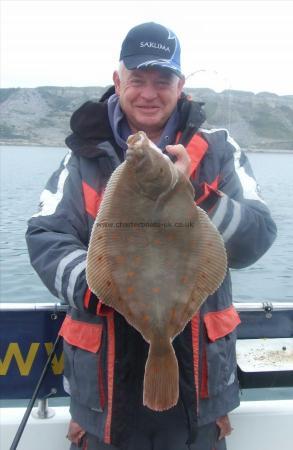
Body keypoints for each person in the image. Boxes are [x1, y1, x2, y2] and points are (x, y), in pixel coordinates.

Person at [26, 22, 277, 450]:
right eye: (137, 79)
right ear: (117, 80)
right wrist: (102, 288)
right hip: (104, 397)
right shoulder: (83, 155)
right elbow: (46, 236)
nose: (148, 93)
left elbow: (257, 237)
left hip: (199, 392)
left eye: (162, 81)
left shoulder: (218, 150)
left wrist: (196, 193)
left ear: (180, 85)